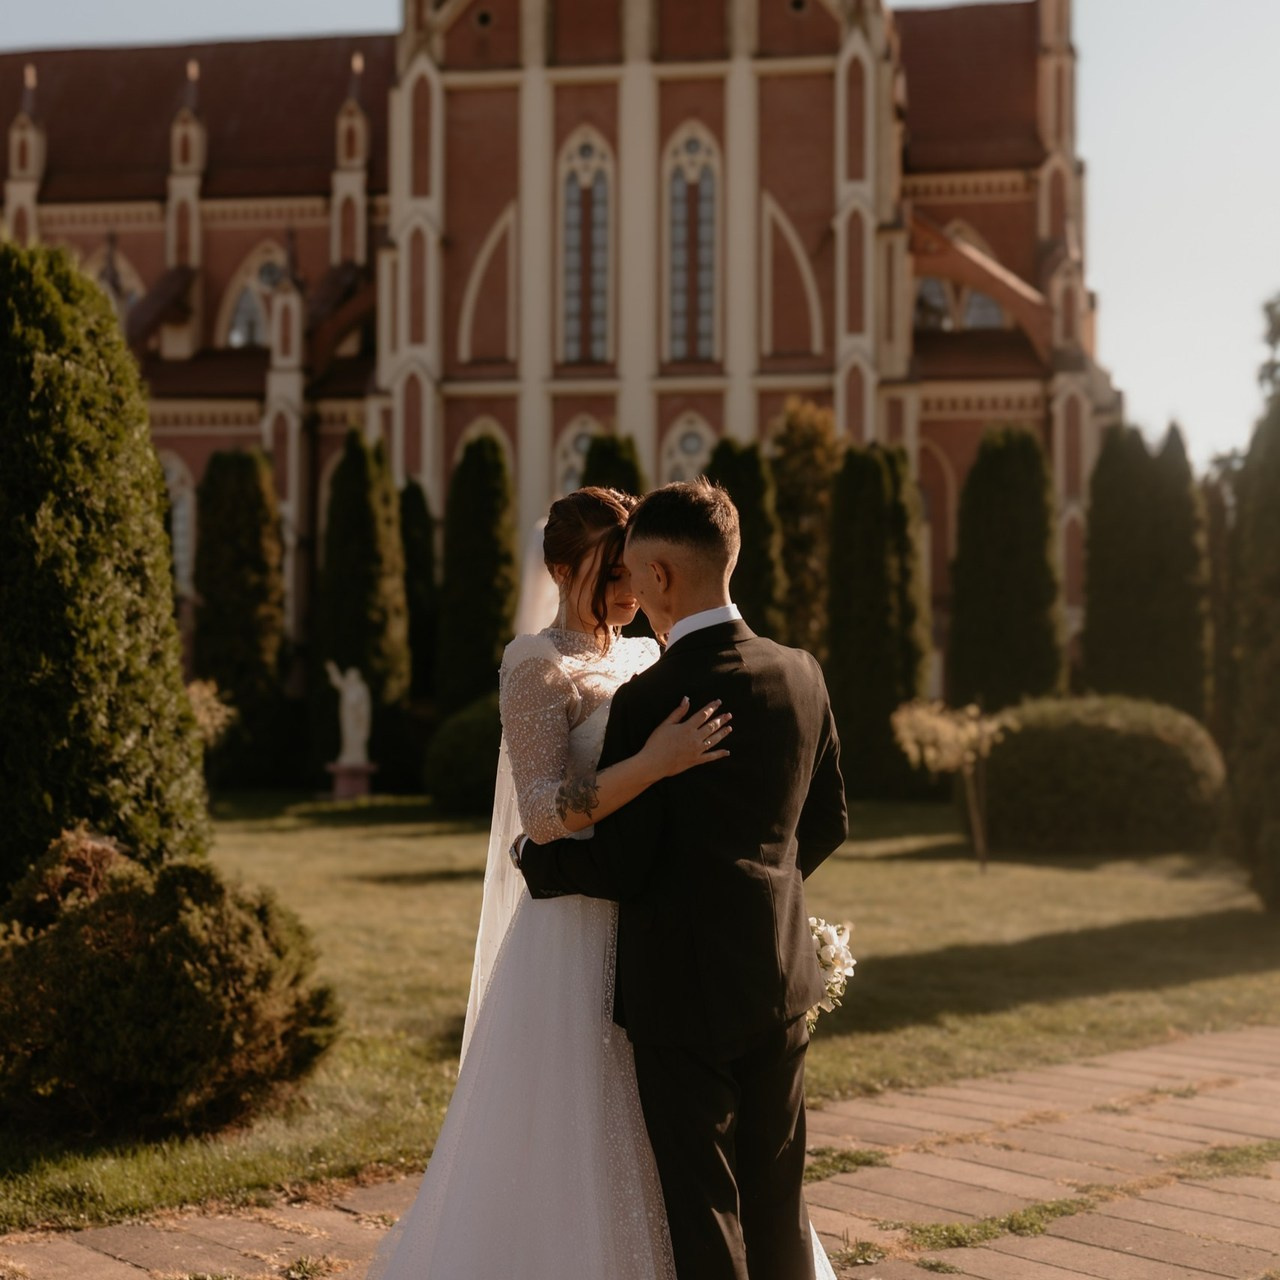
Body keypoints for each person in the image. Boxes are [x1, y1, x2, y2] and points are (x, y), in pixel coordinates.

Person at [367, 486, 733, 1280]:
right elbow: (540, 813)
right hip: (571, 931)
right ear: (562, 569)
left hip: (650, 911)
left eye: (632, 571)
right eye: (607, 577)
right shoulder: (535, 664)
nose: (627, 593)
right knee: (576, 1118)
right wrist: (649, 765)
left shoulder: (648, 652)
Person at [517, 480, 848, 1280]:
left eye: (636, 575)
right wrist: (758, 892)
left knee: (704, 1213)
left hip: (681, 990)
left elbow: (625, 861)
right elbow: (829, 820)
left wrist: (540, 863)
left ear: (661, 577)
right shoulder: (802, 673)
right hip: (777, 979)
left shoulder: (652, 699)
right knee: (779, 1206)